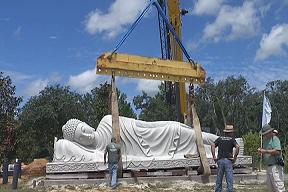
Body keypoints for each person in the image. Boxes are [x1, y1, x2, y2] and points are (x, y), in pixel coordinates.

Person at [54, 115, 220, 162]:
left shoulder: (106, 121)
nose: (86, 135)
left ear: (87, 124)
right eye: (81, 138)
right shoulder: (97, 152)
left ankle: (221, 141)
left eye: (83, 130)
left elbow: (139, 125)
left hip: (150, 132)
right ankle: (221, 146)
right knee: (189, 138)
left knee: (180, 129)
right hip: (147, 148)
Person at [211, 125, 240, 192]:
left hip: (220, 160)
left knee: (219, 179)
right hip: (228, 160)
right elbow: (237, 147)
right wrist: (234, 158)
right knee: (229, 180)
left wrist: (214, 157)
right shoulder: (232, 140)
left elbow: (212, 145)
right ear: (230, 133)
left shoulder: (220, 138)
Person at [258, 124, 285, 192]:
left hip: (275, 166)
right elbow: (265, 150)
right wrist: (261, 151)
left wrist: (265, 151)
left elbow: (277, 151)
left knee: (278, 186)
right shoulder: (265, 140)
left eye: (265, 133)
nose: (265, 135)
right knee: (270, 187)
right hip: (268, 166)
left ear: (270, 132)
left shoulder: (275, 139)